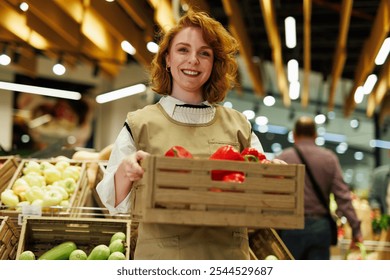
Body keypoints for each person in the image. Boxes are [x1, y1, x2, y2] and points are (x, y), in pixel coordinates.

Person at [96, 10, 284, 260]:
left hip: (226, 259)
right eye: (183, 50)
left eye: (204, 53)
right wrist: (125, 172)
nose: (193, 60)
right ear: (167, 60)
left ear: (214, 64)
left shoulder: (239, 125)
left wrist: (274, 176)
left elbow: (261, 199)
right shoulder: (140, 123)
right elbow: (112, 203)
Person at [276, 116, 363, 260]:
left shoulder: (283, 158)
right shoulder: (329, 159)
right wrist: (356, 228)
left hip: (289, 226)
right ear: (315, 135)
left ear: (294, 135)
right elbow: (343, 197)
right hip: (320, 228)